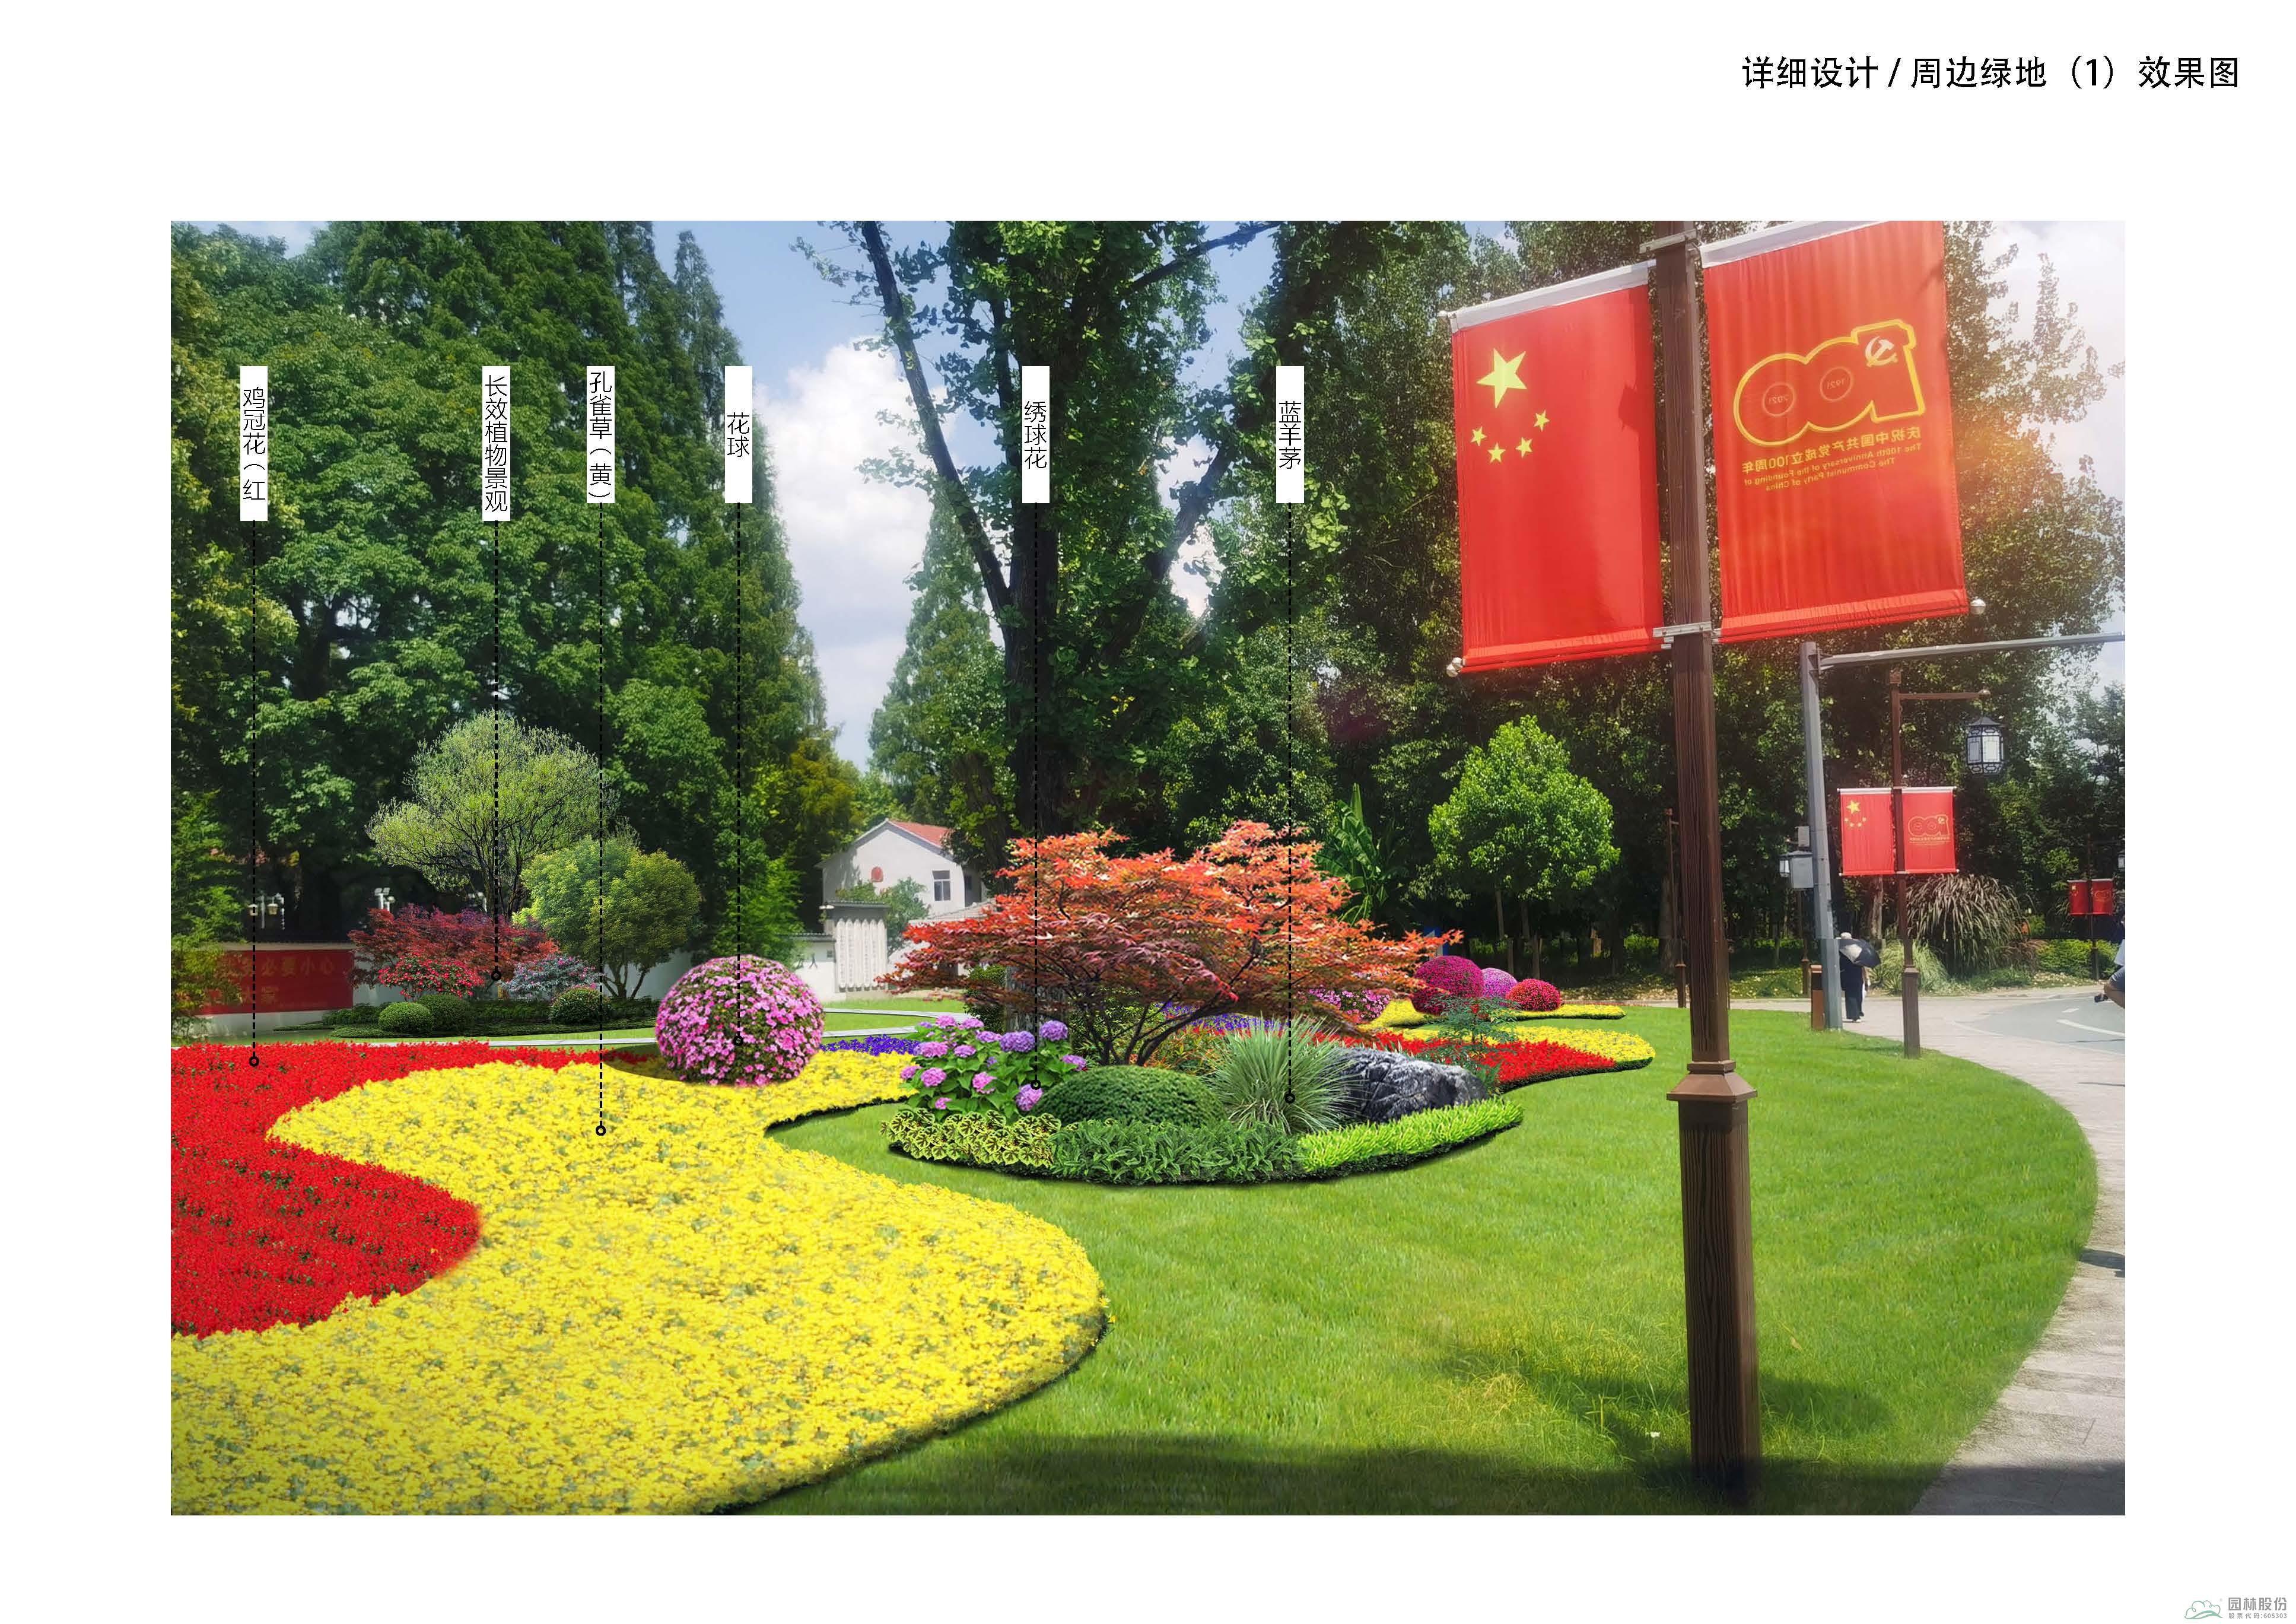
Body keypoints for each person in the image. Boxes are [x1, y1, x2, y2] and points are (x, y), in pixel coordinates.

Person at [1838, 930, 1866, 1023]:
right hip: (1857, 974)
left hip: (1848, 974)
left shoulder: (1841, 950)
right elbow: (1862, 963)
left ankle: (1855, 1015)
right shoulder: (1857, 949)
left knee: (1851, 994)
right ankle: (1857, 1013)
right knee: (1857, 994)